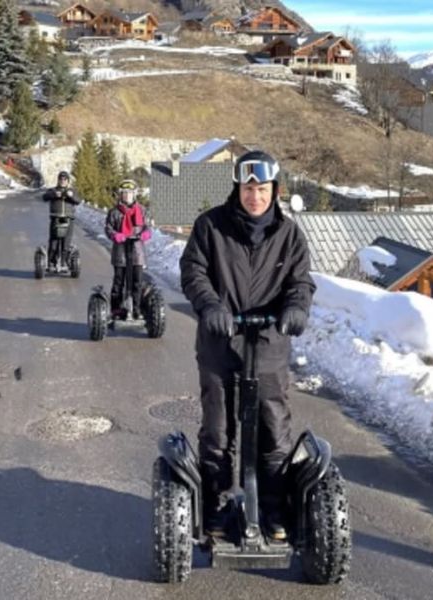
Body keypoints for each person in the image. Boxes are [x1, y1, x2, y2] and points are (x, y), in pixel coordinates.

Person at [179, 151, 315, 541]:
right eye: (248, 188)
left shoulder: (289, 235)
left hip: (269, 344)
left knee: (274, 430)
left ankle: (272, 511)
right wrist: (210, 305)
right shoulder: (211, 227)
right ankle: (217, 508)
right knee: (218, 430)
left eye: (263, 189)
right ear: (238, 188)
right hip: (220, 344)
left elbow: (301, 282)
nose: (255, 196)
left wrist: (296, 307)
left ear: (275, 191)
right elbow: (193, 271)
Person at [105, 179, 152, 319]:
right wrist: (115, 235)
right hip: (120, 252)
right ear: (120, 195)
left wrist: (146, 233)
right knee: (119, 281)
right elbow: (108, 228)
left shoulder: (142, 211)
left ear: (134, 194)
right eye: (124, 193)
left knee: (137, 281)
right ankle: (116, 310)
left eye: (129, 193)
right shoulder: (114, 212)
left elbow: (148, 226)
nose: (127, 196)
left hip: (137, 251)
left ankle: (137, 309)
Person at [42, 171, 79, 268]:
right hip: (56, 218)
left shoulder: (72, 191)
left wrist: (70, 196)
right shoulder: (53, 190)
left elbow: (77, 200)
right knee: (54, 243)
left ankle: (65, 262)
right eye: (61, 179)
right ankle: (51, 262)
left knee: (66, 243)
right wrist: (54, 194)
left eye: (65, 179)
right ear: (58, 180)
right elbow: (45, 197)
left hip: (69, 219)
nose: (63, 181)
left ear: (68, 181)